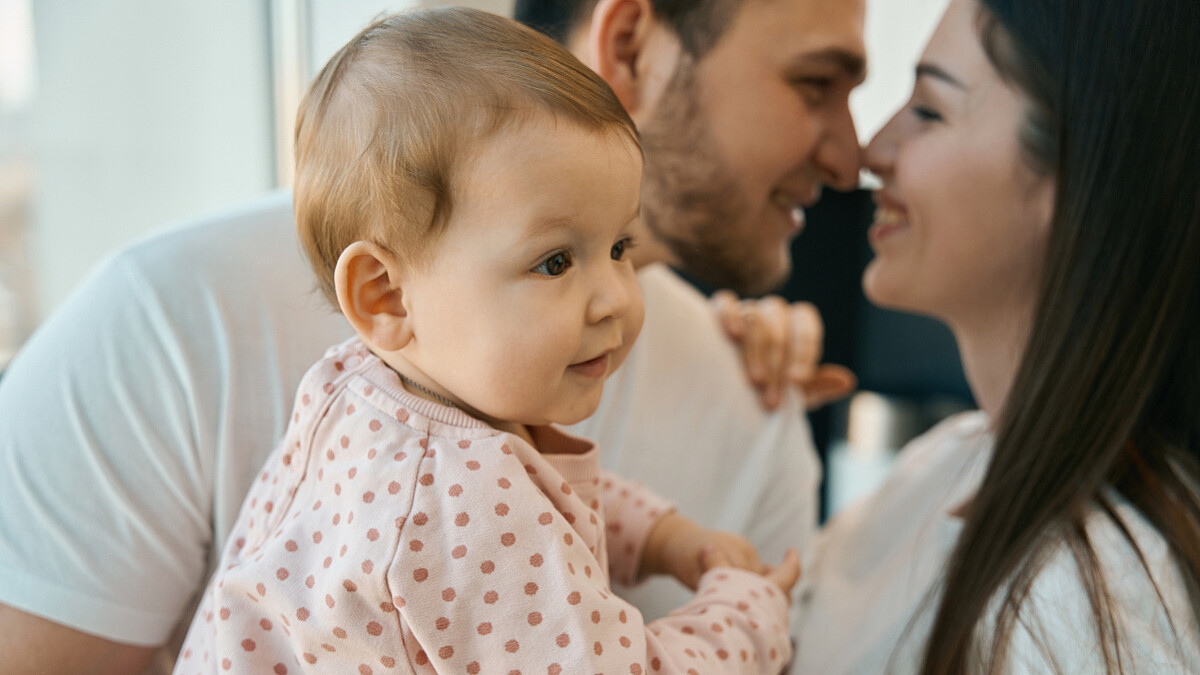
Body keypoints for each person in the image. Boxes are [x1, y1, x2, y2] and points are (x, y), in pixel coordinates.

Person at [0, 0, 866, 672]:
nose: (616, 299)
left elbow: (545, 475)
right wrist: (747, 611)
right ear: (382, 293)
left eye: (621, 246)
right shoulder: (463, 495)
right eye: (557, 262)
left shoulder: (368, 388)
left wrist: (668, 535)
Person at [782, 0, 1200, 671]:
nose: (871, 151)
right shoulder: (943, 463)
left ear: (1075, 181)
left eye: (929, 110)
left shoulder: (1082, 610)